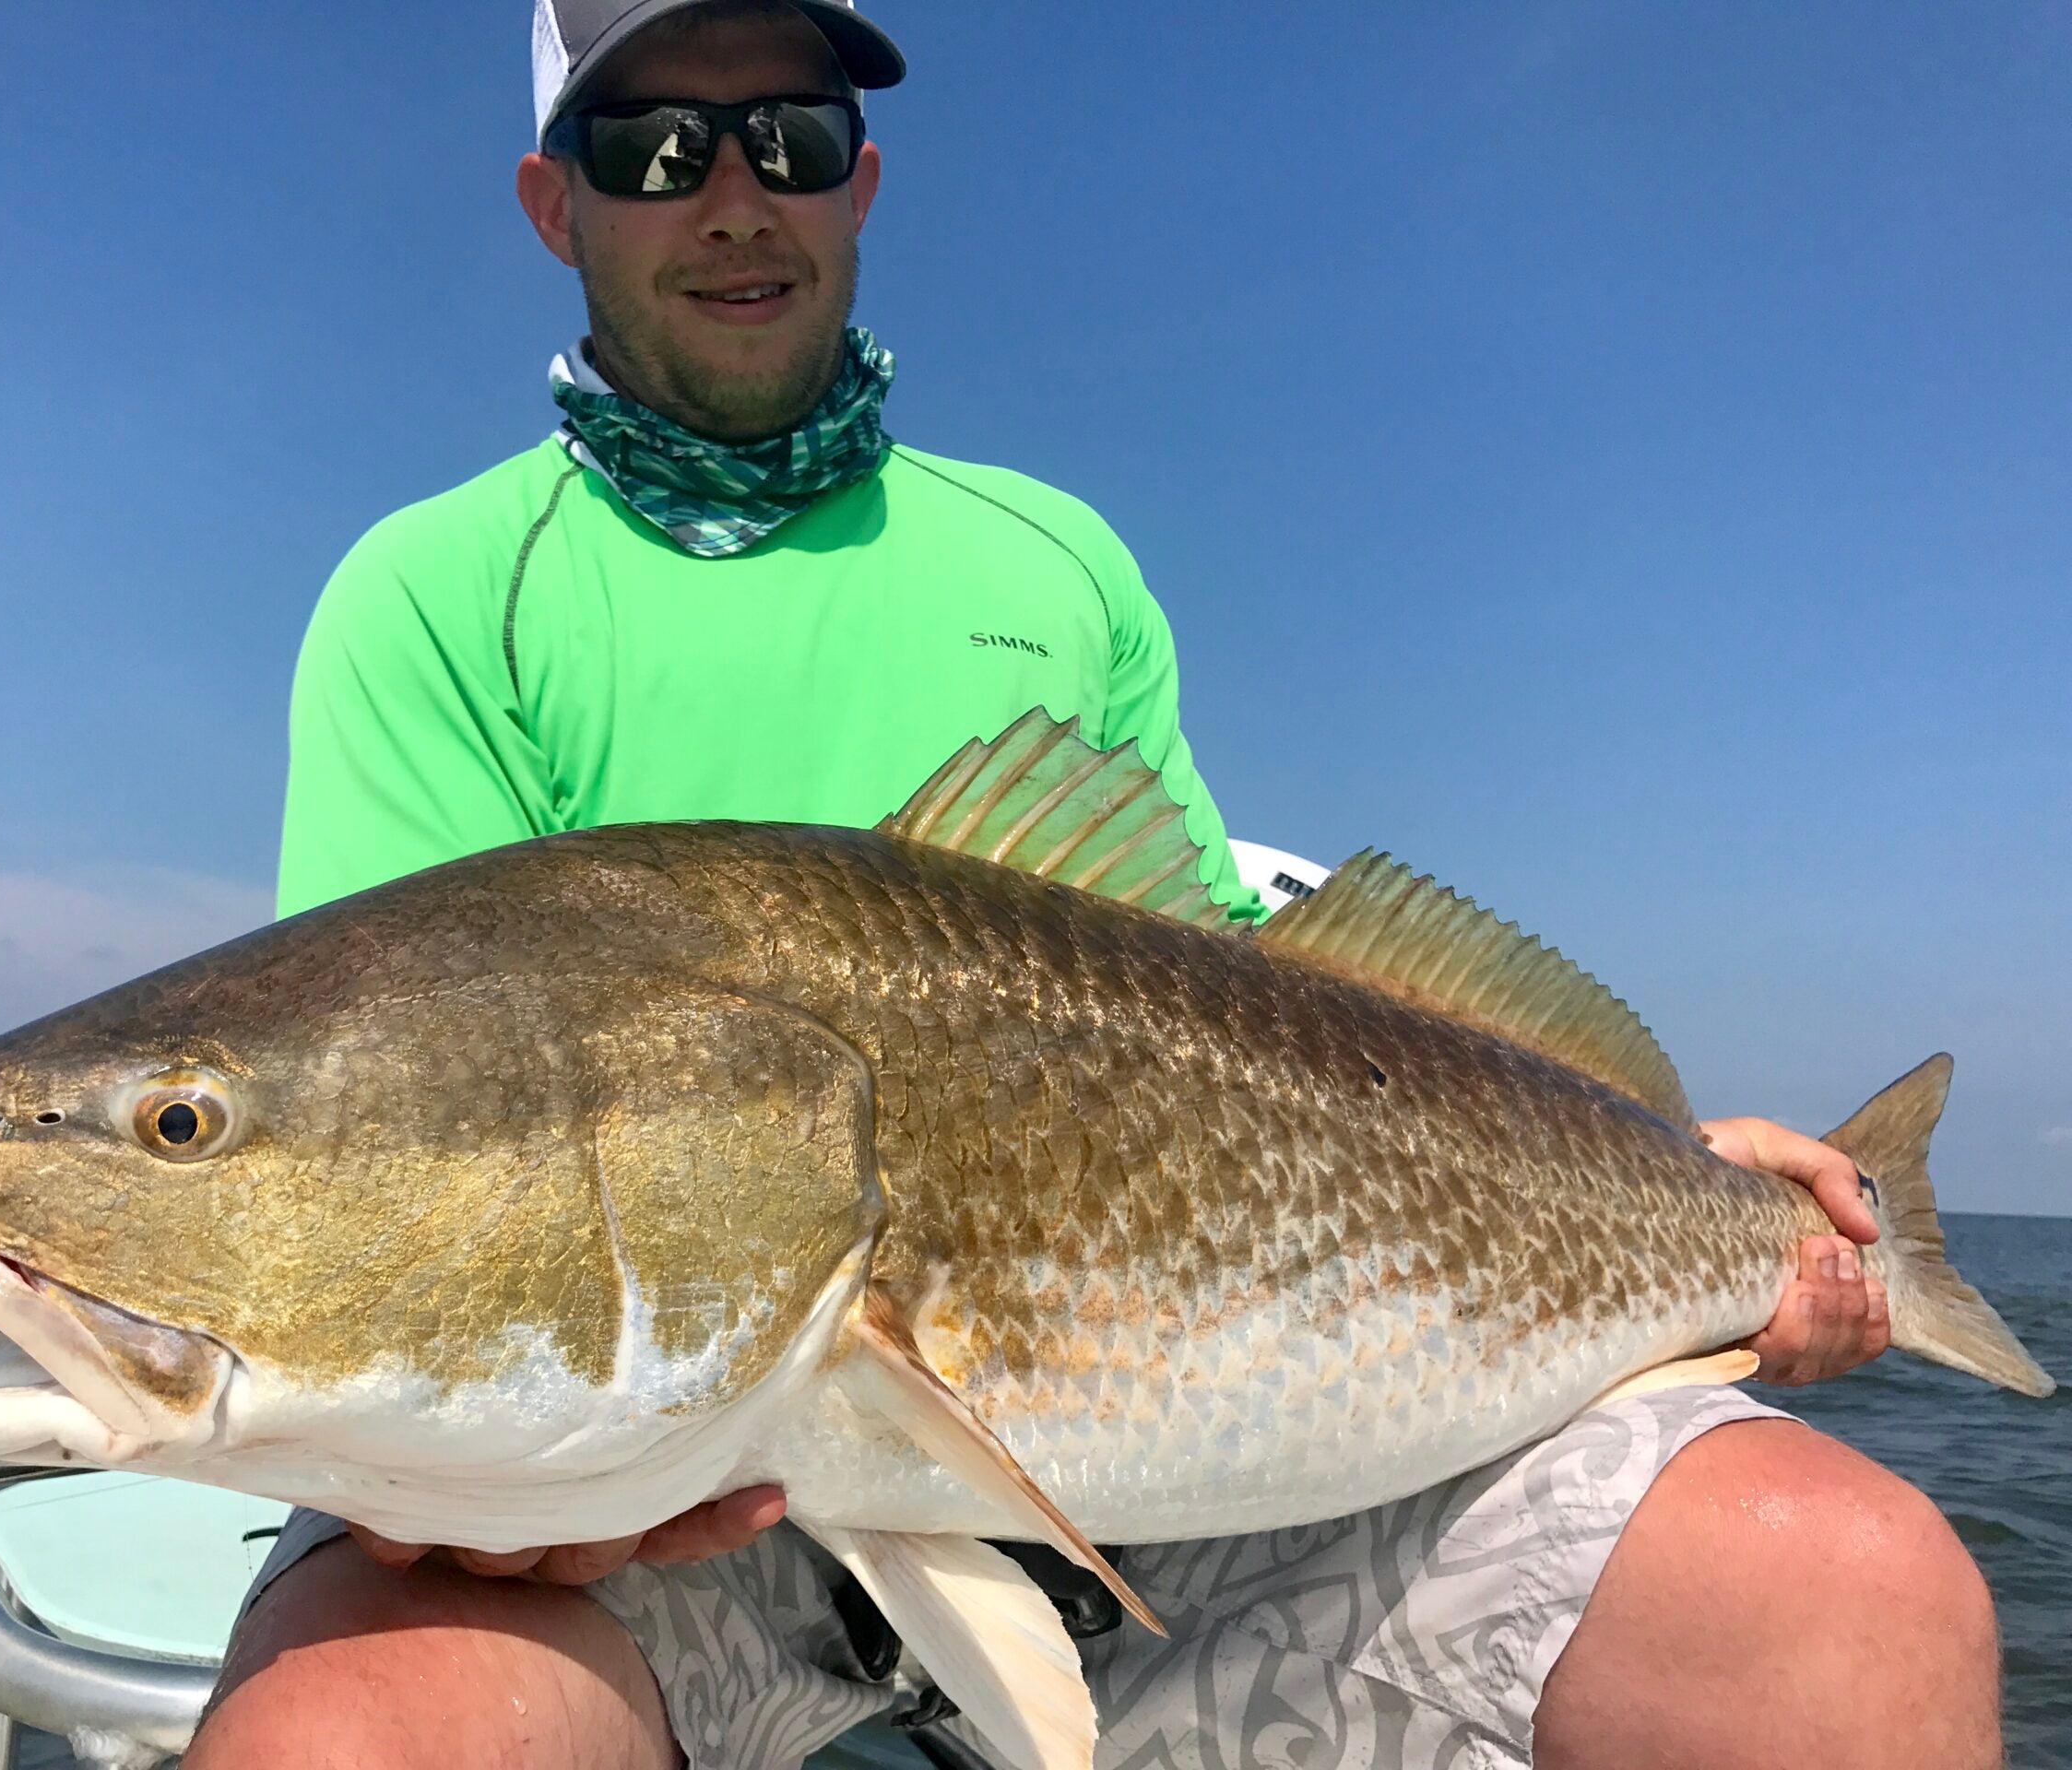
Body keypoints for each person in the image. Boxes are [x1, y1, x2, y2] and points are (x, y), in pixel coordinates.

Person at [187, 5, 1996, 1767]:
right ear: (552, 203)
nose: (733, 197)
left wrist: (1681, 1196)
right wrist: (462, 1475)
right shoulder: (431, 599)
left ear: (861, 185)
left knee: (1848, 1594)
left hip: (1163, 1482)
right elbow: (397, 1138)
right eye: (654, 148)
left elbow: (1247, 1025)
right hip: (663, 1501)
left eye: (788, 140)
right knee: (351, 1739)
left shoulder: (1059, 565)